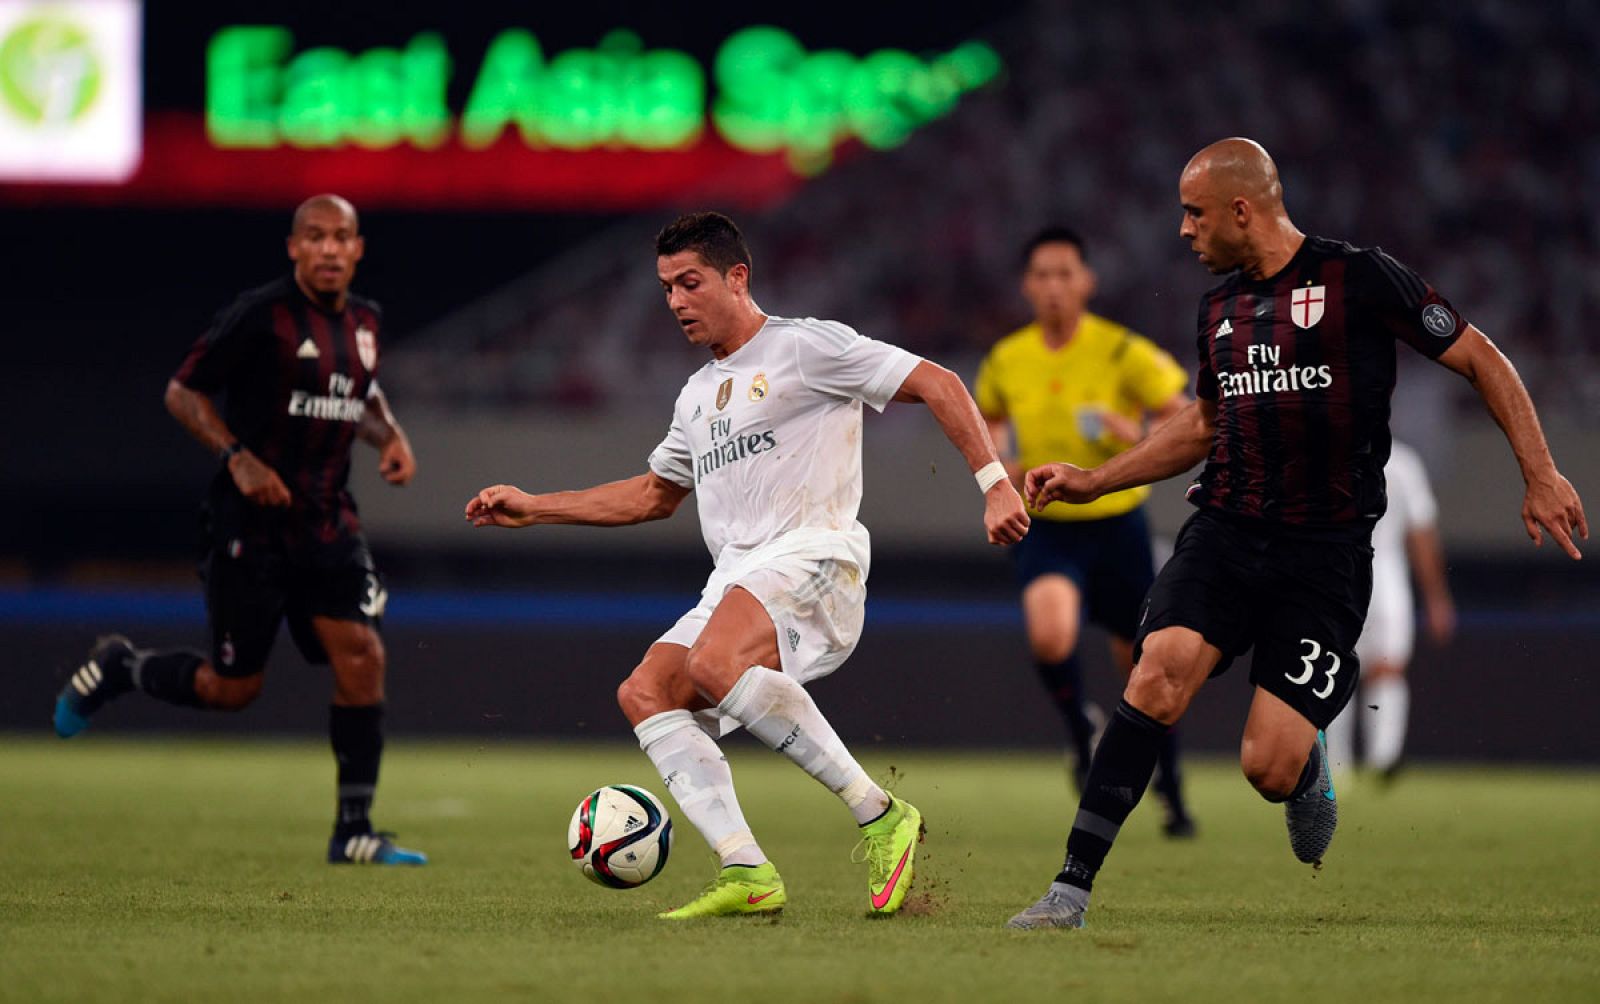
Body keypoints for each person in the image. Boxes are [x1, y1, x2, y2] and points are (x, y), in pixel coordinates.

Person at [1007, 138, 1586, 929]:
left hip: (1325, 556)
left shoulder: (1359, 278)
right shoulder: (1217, 308)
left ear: (1242, 209)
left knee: (1267, 769)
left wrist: (1541, 471)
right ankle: (1069, 889)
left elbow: (1480, 355)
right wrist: (1095, 478)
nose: (1183, 231)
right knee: (1158, 672)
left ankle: (1307, 756)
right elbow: (1205, 424)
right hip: (1225, 531)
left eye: (1194, 213)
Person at [466, 211, 1029, 918]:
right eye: (667, 287)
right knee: (646, 692)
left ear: (738, 277)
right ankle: (747, 870)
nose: (675, 301)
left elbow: (940, 380)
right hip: (737, 578)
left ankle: (879, 812)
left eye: (690, 282)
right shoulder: (696, 397)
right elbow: (651, 495)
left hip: (817, 556)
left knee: (710, 663)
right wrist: (535, 507)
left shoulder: (806, 348)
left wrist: (994, 482)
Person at [53, 194, 426, 867]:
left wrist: (388, 436)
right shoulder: (264, 315)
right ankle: (122, 666)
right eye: (316, 237)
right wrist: (238, 458)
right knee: (233, 690)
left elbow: (360, 392)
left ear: (359, 248)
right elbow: (182, 392)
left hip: (326, 522)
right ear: (294, 247)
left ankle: (354, 832)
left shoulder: (367, 321)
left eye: (342, 237)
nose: (330, 249)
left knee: (363, 655)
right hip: (248, 527)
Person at [974, 226, 1195, 835]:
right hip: (1048, 525)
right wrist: (1004, 463)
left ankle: (1173, 791)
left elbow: (1184, 413)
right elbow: (989, 415)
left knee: (1147, 668)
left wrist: (1130, 430)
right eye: (1041, 275)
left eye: (1064, 273)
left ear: (1087, 281)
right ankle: (1081, 734)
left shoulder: (1122, 350)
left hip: (1117, 525)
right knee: (1050, 637)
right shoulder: (1007, 357)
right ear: (1026, 285)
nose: (1052, 287)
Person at [1325, 441, 1455, 781]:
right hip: (1337, 579)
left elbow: (1421, 534)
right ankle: (1338, 762)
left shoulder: (1403, 464)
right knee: (1335, 670)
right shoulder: (1327, 458)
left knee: (1387, 667)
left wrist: (1437, 598)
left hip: (1385, 581)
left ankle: (1384, 757)